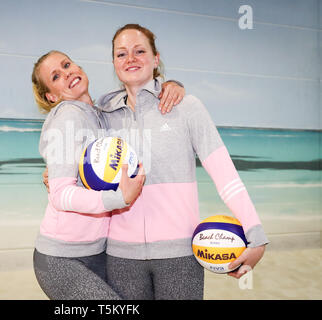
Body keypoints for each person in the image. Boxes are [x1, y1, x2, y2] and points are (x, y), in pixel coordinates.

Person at [96, 24, 269, 300]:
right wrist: (55, 173)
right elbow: (82, 167)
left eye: (140, 51)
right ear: (114, 63)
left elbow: (225, 174)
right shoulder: (103, 117)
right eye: (121, 54)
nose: (131, 59)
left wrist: (256, 236)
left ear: (156, 58)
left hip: (180, 256)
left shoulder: (187, 107)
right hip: (120, 257)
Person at [31, 50, 185, 299]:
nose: (68, 72)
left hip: (100, 254)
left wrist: (173, 86)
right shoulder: (67, 116)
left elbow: (138, 96)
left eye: (67, 64)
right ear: (51, 96)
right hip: (61, 258)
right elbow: (60, 195)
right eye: (56, 76)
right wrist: (120, 198)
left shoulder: (102, 114)